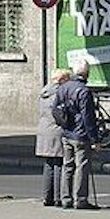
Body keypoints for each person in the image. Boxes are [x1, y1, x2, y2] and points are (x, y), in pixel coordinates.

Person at [50, 63, 100, 208]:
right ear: (87, 74)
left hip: (67, 132)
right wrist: (94, 139)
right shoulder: (84, 91)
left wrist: (63, 124)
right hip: (80, 134)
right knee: (82, 167)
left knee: (68, 166)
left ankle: (66, 199)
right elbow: (88, 117)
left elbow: (55, 109)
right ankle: (80, 199)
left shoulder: (64, 87)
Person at [35, 68, 70, 207]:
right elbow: (61, 114)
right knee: (59, 164)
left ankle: (46, 197)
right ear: (61, 80)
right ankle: (58, 198)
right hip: (56, 131)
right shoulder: (59, 93)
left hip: (44, 130)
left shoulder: (44, 92)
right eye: (68, 80)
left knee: (48, 164)